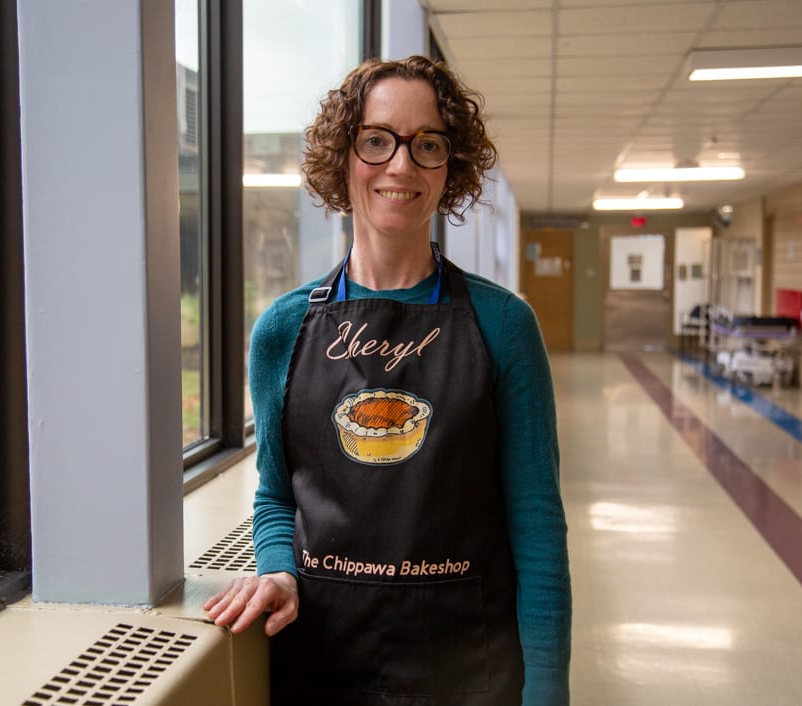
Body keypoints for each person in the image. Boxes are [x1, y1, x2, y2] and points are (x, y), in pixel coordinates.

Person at [204, 55, 571, 705]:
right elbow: (275, 498)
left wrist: (546, 693)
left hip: (469, 671)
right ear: (341, 158)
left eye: (426, 144)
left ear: (448, 167)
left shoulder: (504, 326)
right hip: (320, 661)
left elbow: (537, 525)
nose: (400, 165)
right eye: (376, 140)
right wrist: (280, 572)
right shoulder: (282, 331)